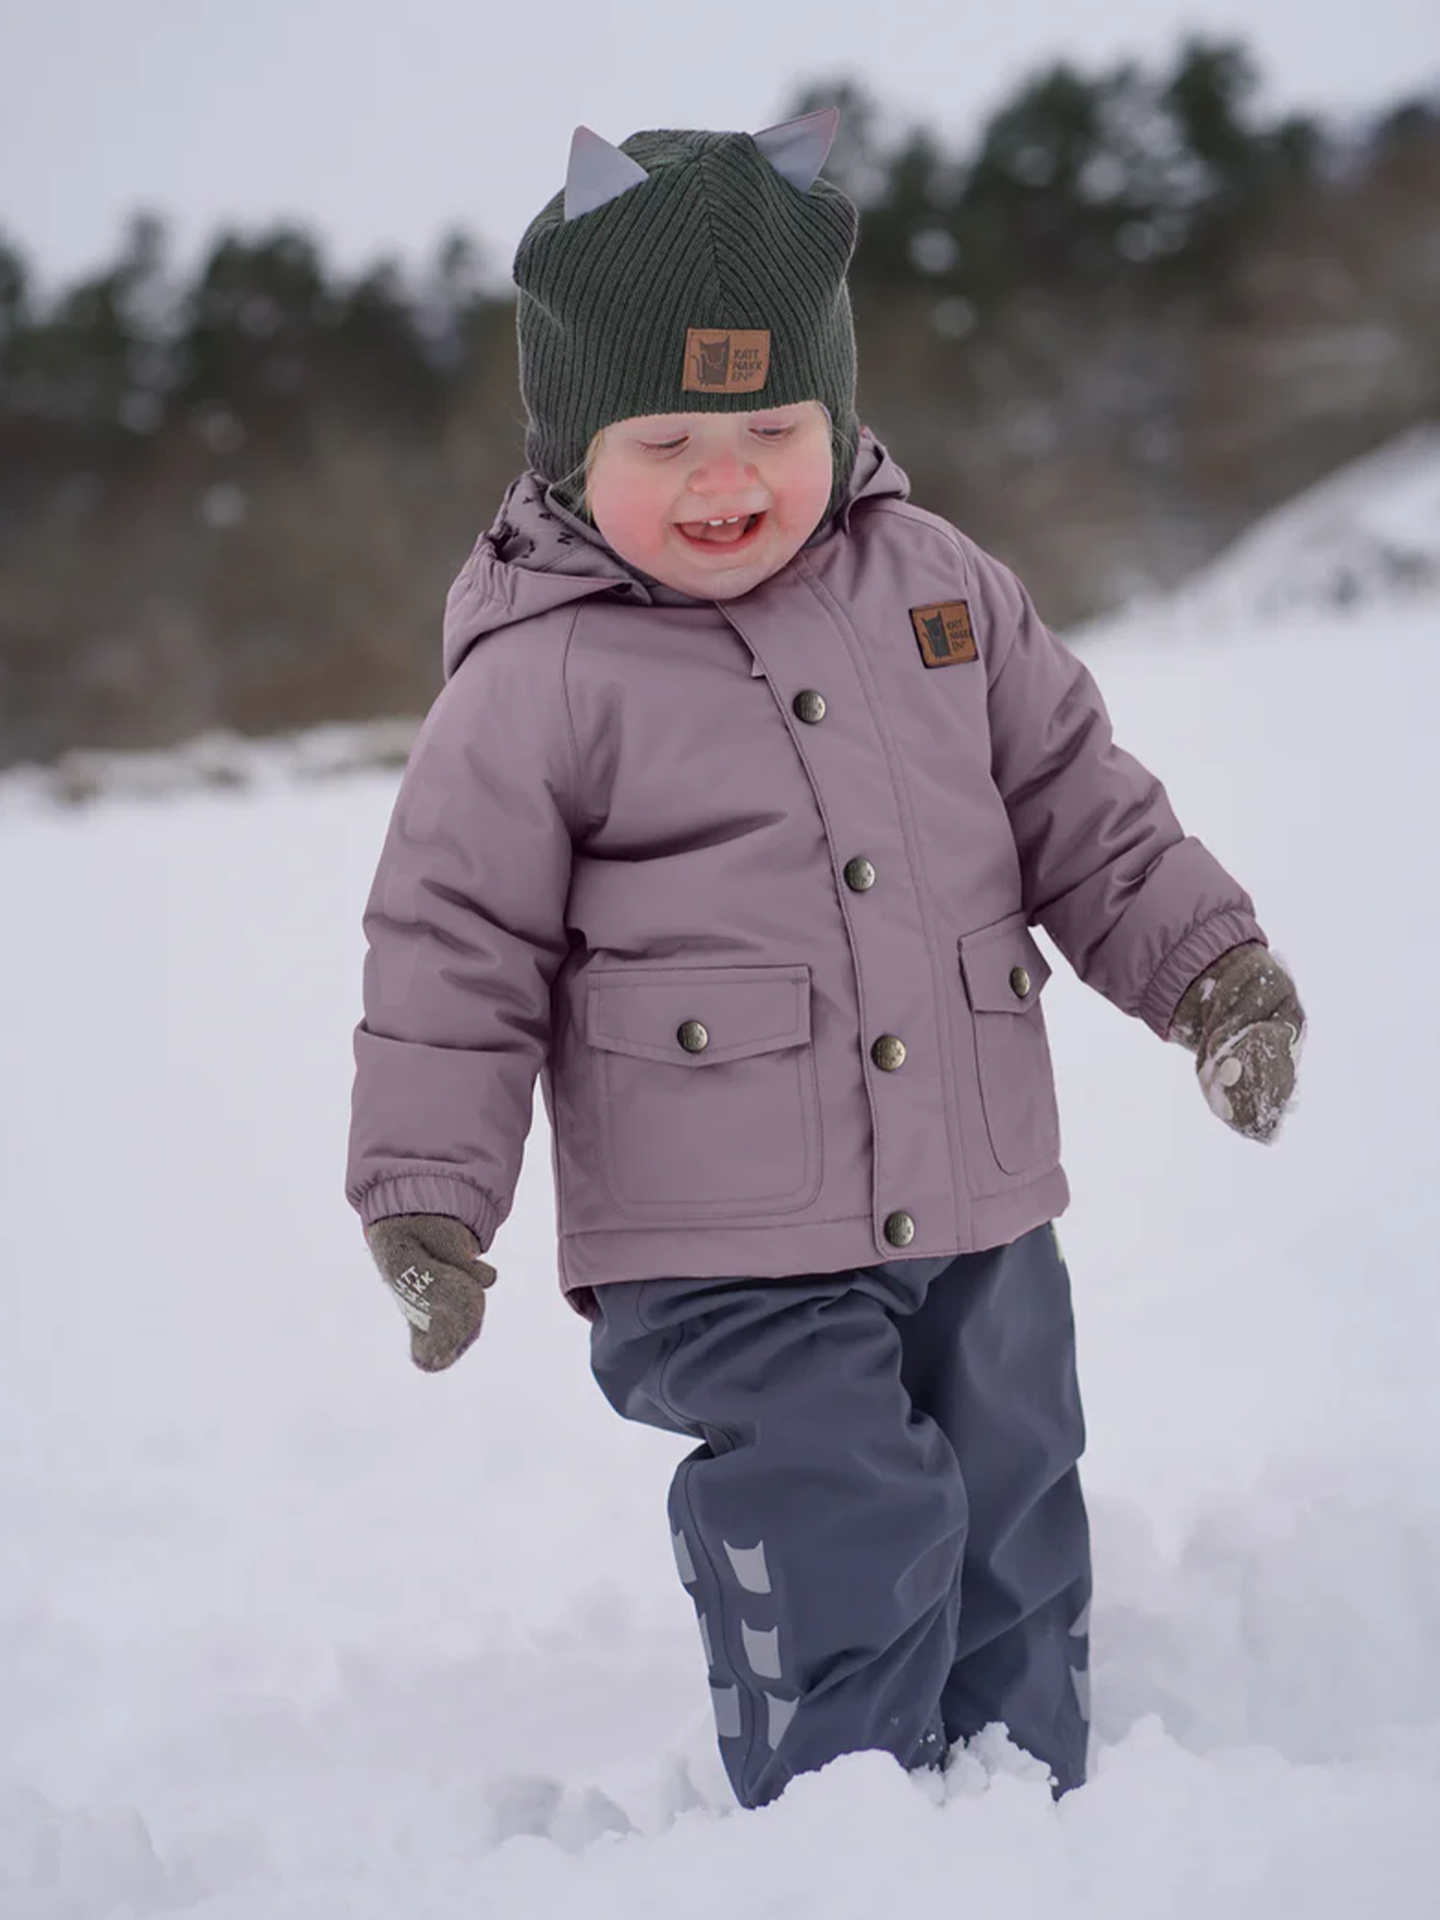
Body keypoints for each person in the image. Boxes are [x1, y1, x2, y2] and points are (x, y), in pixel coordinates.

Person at [345, 110, 1305, 1810]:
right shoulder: (538, 681)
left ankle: (1039, 1812)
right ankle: (846, 1828)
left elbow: (1083, 807)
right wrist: (429, 1195)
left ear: (840, 412)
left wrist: (1209, 970)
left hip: (982, 1191)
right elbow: (453, 946)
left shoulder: (941, 591)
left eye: (773, 427)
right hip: (727, 1233)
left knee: (1014, 1499)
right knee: (847, 1515)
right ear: (573, 449)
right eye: (670, 442)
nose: (730, 485)